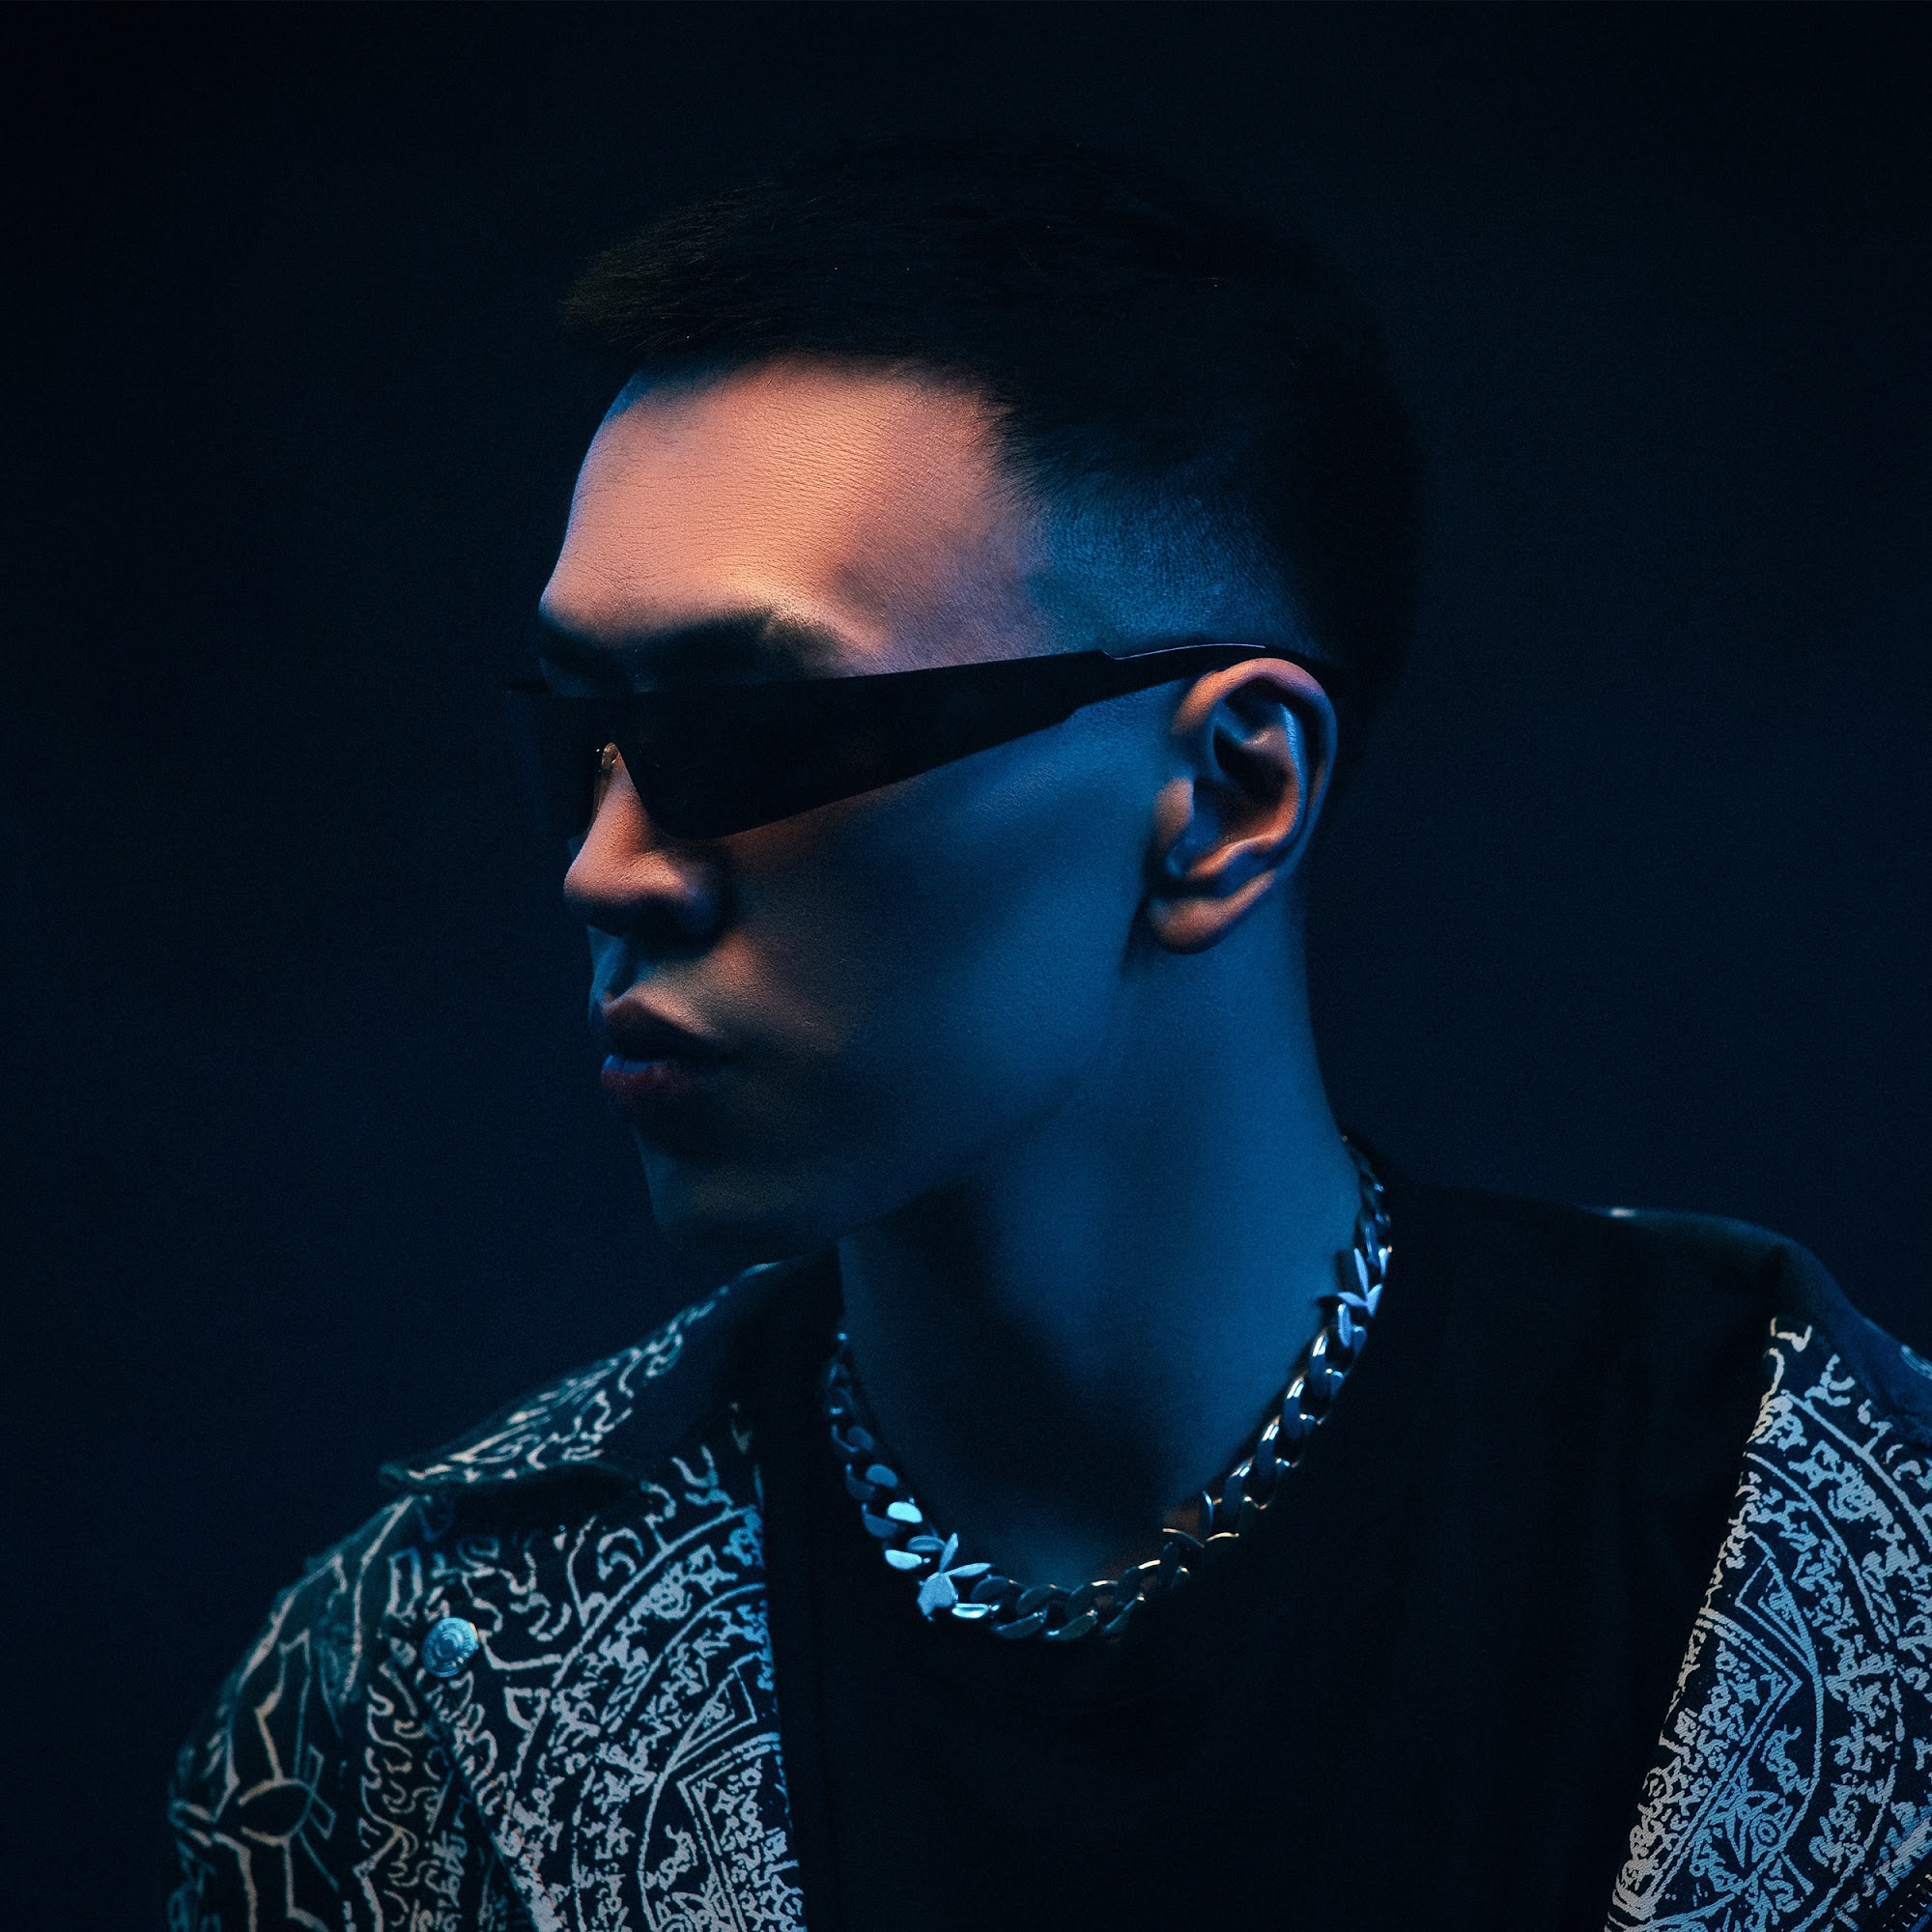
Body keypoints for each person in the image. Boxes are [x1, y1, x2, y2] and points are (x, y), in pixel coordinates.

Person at [165, 138, 1932, 1932]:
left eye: (756, 729)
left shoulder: (1807, 1535)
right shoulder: (414, 1688)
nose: (607, 871)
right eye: (580, 737)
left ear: (1228, 795)